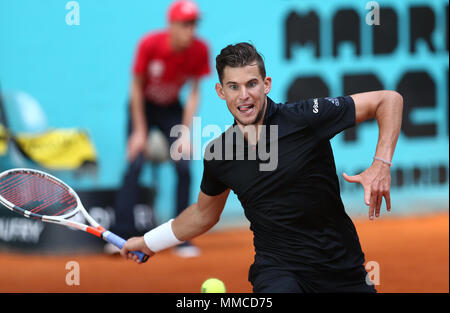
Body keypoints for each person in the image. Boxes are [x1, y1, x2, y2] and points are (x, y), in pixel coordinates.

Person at [120, 42, 403, 293]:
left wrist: (381, 164)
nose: (244, 95)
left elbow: (388, 100)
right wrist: (149, 241)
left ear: (266, 84)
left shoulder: (305, 118)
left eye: (251, 84)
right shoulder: (219, 154)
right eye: (233, 87)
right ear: (220, 91)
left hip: (342, 267)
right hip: (278, 271)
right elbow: (203, 214)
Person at [110, 0, 210, 258]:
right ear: (172, 25)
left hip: (171, 110)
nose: (191, 30)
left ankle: (182, 238)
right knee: (135, 164)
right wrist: (139, 132)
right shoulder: (149, 44)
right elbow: (135, 88)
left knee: (184, 165)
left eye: (193, 24)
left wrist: (186, 132)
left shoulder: (200, 50)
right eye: (185, 24)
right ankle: (120, 236)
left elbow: (194, 93)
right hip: (142, 105)